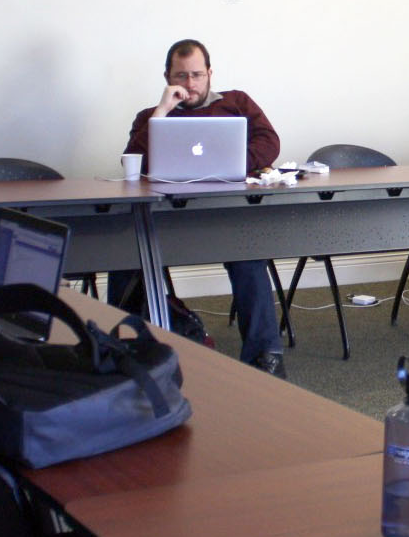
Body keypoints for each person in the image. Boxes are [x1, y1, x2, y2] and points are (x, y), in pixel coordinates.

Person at [120, 38, 286, 378]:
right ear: (167, 76)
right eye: (181, 76)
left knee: (249, 256)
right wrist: (161, 114)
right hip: (164, 217)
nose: (190, 84)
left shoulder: (236, 103)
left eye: (197, 74)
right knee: (123, 252)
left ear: (210, 73)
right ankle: (121, 353)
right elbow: (132, 160)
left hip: (225, 214)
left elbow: (270, 142)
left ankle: (264, 357)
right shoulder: (150, 117)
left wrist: (231, 163)